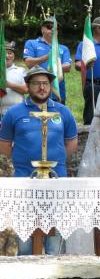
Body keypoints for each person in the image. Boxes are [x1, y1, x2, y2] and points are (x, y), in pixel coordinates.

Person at [0, 66, 78, 255]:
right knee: (26, 242)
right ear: (27, 86)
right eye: (36, 84)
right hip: (25, 181)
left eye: (45, 83)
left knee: (55, 242)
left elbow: (71, 142)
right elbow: (4, 144)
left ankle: (56, 278)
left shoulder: (63, 112)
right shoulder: (14, 113)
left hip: (57, 181)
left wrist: (55, 162)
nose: (42, 88)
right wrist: (22, 162)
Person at [75, 17, 100, 125]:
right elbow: (78, 64)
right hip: (93, 86)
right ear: (98, 29)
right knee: (91, 117)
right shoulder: (86, 45)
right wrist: (86, 65)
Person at [23, 17, 71, 103]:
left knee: (58, 116)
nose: (52, 29)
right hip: (37, 92)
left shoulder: (63, 48)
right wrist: (47, 57)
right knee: (36, 116)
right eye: (49, 27)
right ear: (42, 29)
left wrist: (52, 66)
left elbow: (67, 67)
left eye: (55, 28)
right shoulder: (31, 43)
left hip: (58, 92)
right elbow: (28, 63)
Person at [0, 41, 27, 117]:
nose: (7, 56)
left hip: (17, 112)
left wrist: (8, 84)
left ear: (14, 56)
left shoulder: (21, 71)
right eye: (4, 53)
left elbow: (27, 89)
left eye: (9, 53)